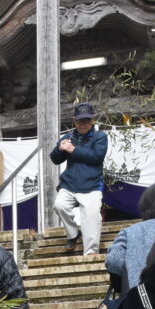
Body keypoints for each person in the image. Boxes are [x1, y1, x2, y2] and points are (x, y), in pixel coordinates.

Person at [50, 100, 108, 255]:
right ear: (73, 121)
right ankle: (73, 234)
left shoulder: (100, 136)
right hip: (69, 185)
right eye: (79, 120)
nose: (83, 124)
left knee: (91, 214)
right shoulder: (69, 136)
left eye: (86, 120)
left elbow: (96, 157)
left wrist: (72, 149)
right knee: (59, 205)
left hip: (91, 186)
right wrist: (60, 148)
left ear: (93, 120)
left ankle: (91, 252)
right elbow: (55, 159)